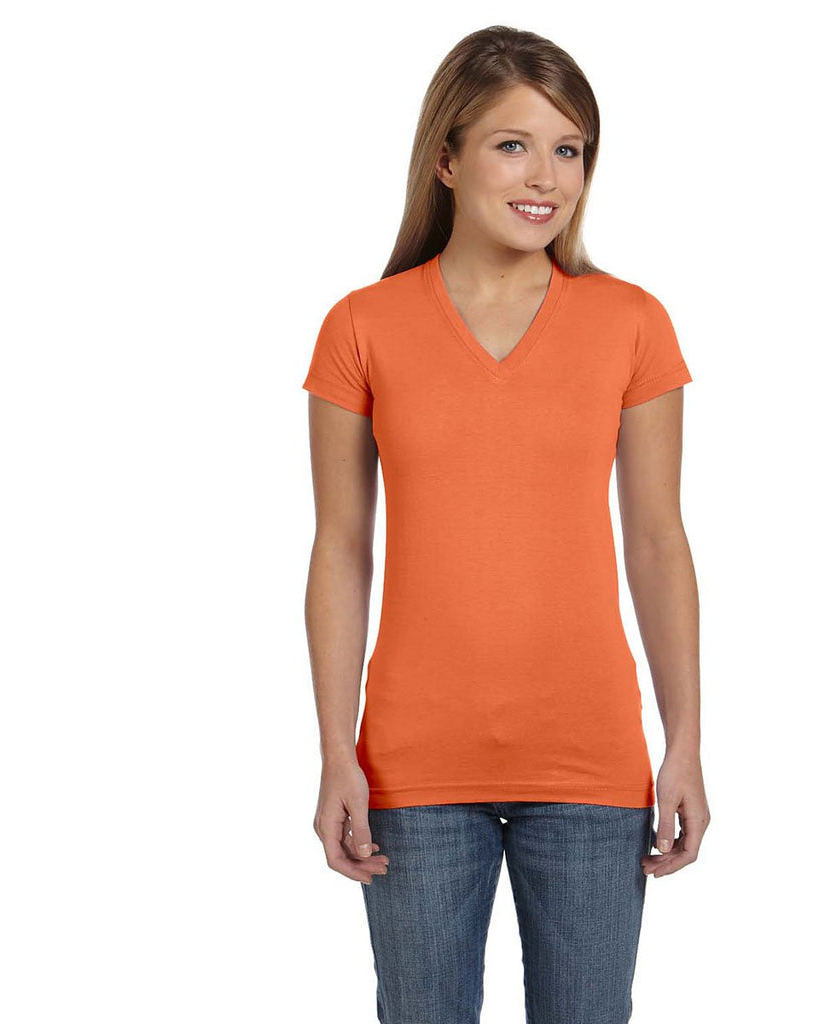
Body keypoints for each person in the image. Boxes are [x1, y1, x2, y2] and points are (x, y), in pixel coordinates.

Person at [301, 24, 708, 1024]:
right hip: (412, 768)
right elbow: (341, 548)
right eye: (512, 144)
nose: (546, 177)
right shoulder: (361, 325)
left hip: (592, 763)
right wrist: (336, 748)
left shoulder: (632, 322)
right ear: (446, 159)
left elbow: (658, 541)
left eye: (569, 149)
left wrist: (684, 739)